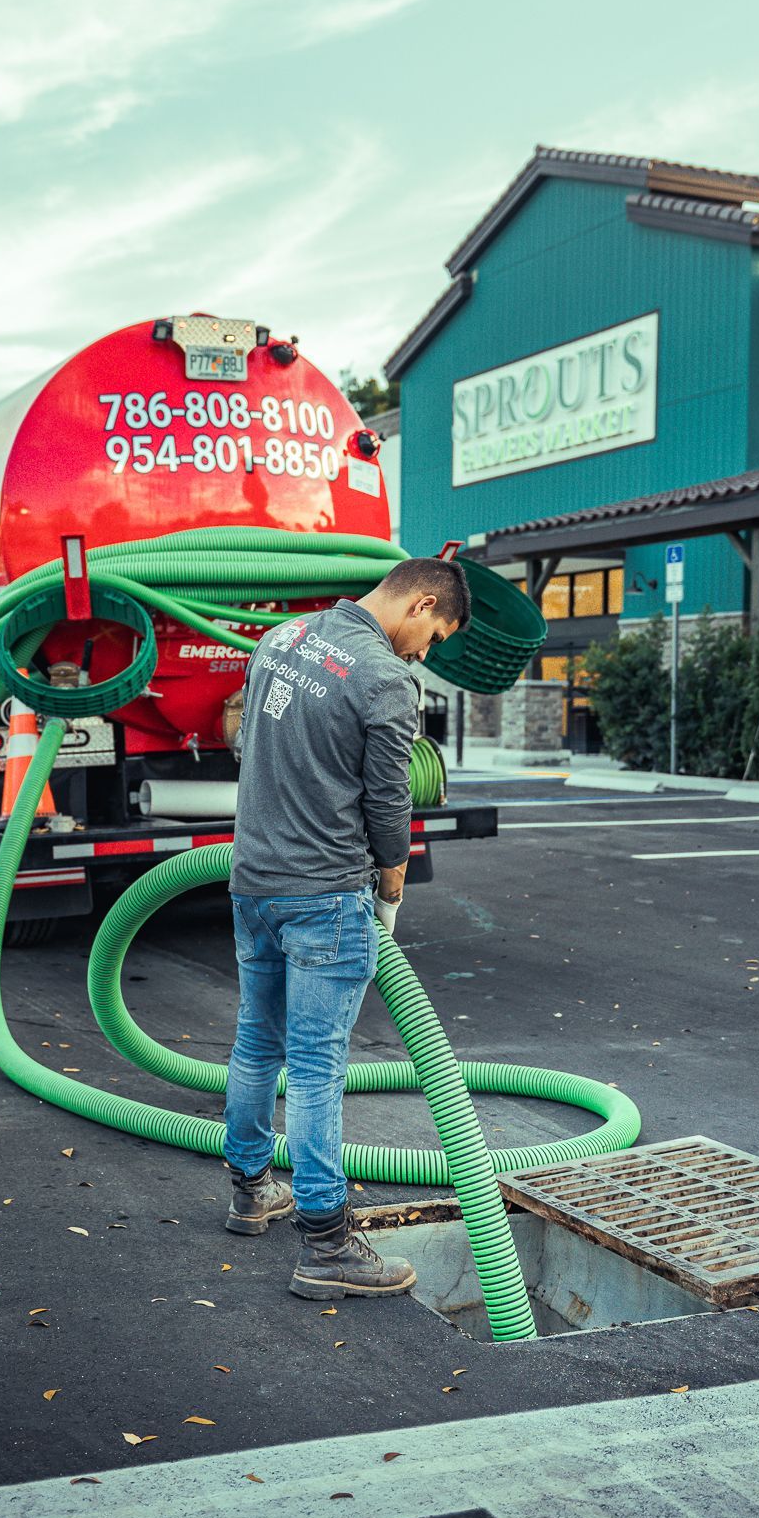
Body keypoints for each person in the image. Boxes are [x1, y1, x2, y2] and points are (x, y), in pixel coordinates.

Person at [222, 555, 471, 1299]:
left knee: (255, 1041)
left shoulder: (283, 638)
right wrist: (392, 873)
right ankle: (327, 1246)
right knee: (319, 1068)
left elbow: (248, 744)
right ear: (422, 601)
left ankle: (249, 1192)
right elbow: (388, 802)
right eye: (434, 635)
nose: (424, 652)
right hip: (326, 897)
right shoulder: (385, 678)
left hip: (253, 883)